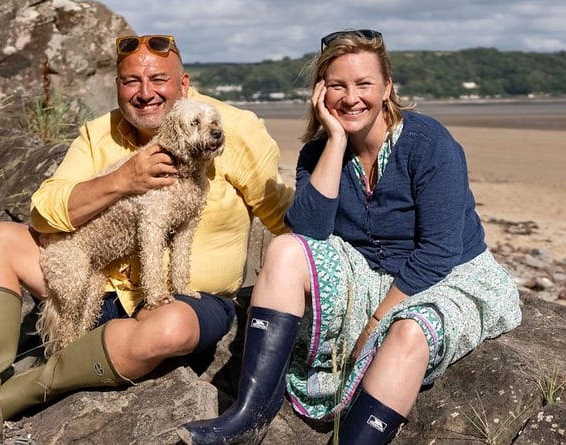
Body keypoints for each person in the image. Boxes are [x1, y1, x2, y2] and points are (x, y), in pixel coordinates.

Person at [0, 34, 293, 444]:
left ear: (184, 84)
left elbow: (279, 213)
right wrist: (122, 180)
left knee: (169, 327)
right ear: (118, 86)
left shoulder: (233, 127)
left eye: (158, 79)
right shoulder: (98, 133)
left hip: (187, 301)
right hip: (95, 281)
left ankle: (14, 395)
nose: (144, 94)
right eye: (130, 82)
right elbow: (44, 209)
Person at [179, 29, 522, 445]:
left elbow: (440, 251)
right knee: (287, 250)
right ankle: (249, 417)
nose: (351, 97)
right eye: (338, 85)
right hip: (367, 271)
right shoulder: (318, 153)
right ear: (321, 92)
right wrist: (336, 140)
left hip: (447, 275)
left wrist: (376, 323)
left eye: (364, 84)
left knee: (409, 330)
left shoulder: (428, 142)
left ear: (387, 87)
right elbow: (309, 232)